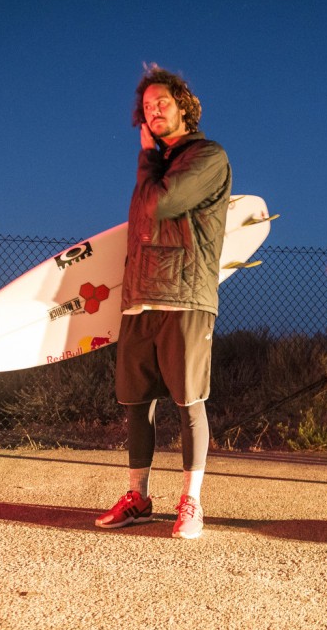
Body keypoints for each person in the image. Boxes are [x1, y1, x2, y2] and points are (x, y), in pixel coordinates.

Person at [95, 64, 232, 538]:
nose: (154, 111)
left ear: (183, 106)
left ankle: (191, 502)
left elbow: (164, 204)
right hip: (140, 299)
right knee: (137, 403)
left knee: (188, 401)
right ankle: (139, 496)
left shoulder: (207, 155)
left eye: (163, 102)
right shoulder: (156, 165)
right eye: (147, 107)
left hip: (185, 297)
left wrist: (146, 158)